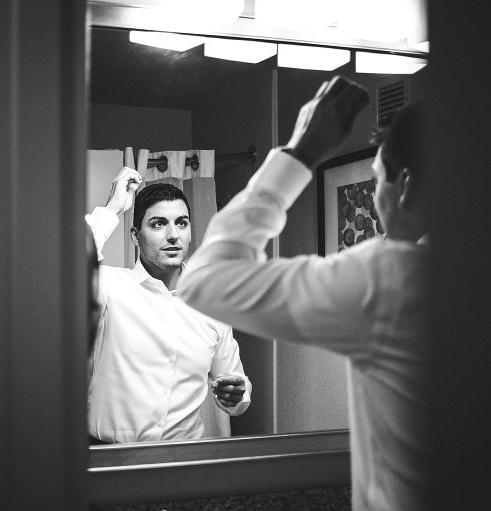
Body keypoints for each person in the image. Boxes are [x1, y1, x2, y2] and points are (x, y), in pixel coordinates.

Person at [178, 76, 430, 510]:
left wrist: (302, 152)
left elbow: (204, 279)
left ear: (404, 185)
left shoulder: (392, 278)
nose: (374, 202)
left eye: (377, 182)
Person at [84, 171, 252, 444]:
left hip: (184, 461)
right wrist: (113, 207)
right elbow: (63, 263)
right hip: (109, 458)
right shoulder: (109, 287)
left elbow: (236, 387)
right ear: (135, 236)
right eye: (159, 224)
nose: (173, 235)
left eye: (182, 223)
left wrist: (237, 394)